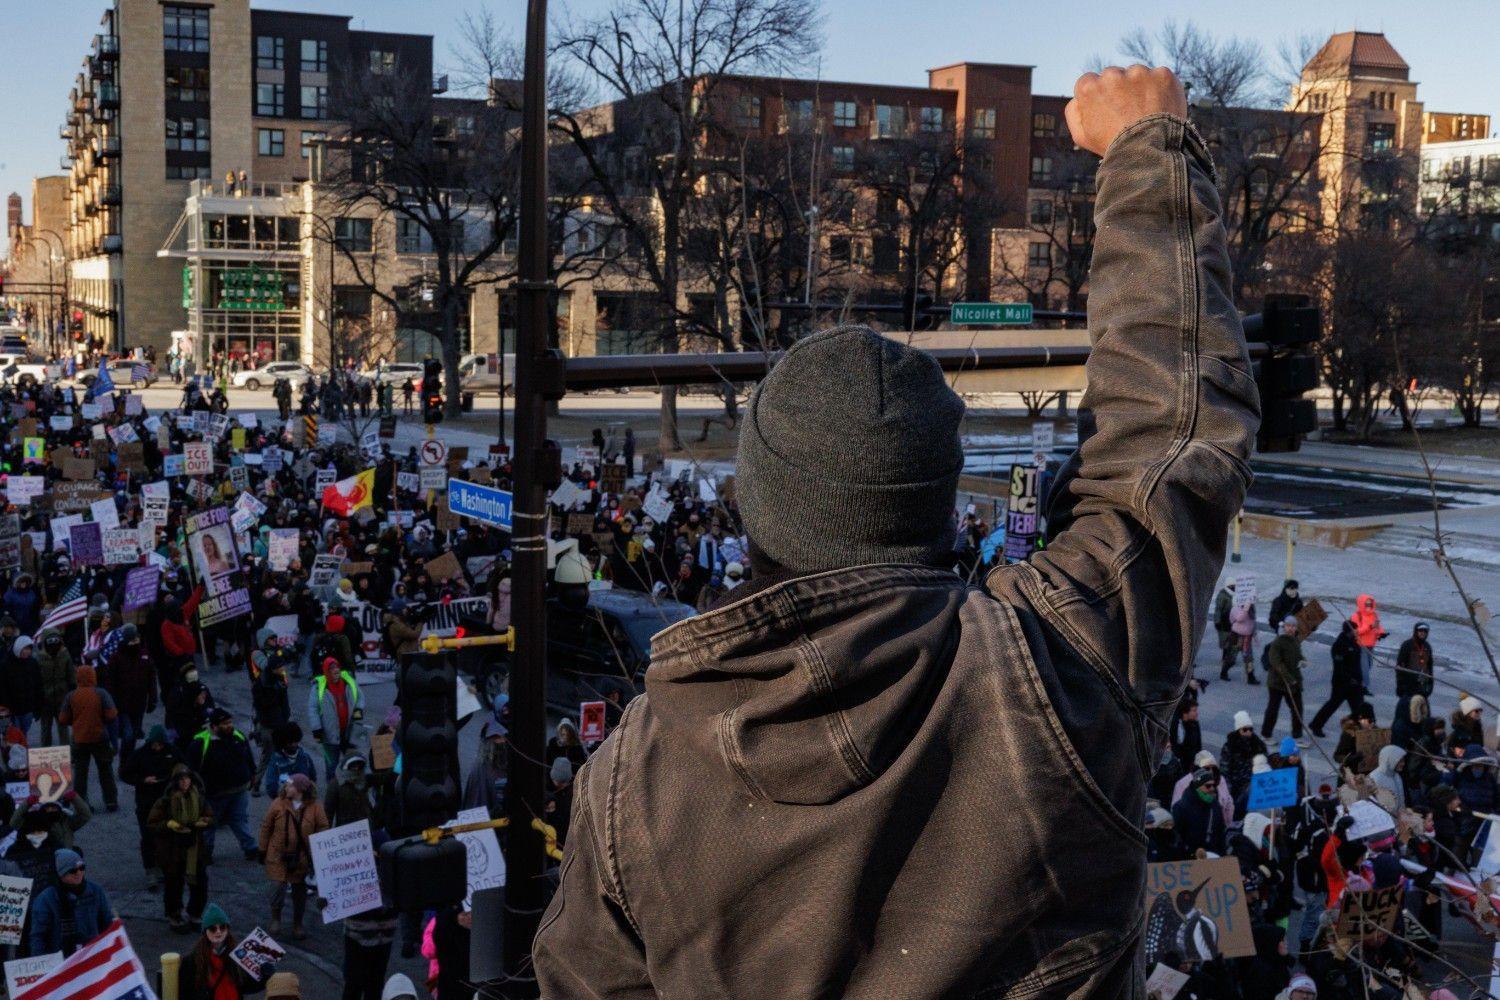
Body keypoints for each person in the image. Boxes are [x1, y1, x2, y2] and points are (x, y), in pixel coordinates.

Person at [534, 65, 1259, 996]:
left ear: (754, 504)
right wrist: (1150, 159)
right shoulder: (1060, 668)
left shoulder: (636, 781)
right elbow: (1172, 441)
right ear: (944, 507)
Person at [257, 773, 328, 940]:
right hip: (278, 855)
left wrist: (319, 851)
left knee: (299, 893)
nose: (286, 788)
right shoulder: (278, 803)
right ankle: (276, 919)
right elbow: (266, 826)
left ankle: (298, 923)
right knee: (276, 888)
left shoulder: (315, 807)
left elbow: (323, 827)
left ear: (300, 789)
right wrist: (262, 849)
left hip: (301, 857)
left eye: (290, 786)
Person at [149, 763, 213, 932]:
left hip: (194, 847)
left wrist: (204, 821)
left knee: (199, 883)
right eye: (181, 779)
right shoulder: (166, 800)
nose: (185, 782)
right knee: (173, 884)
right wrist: (169, 824)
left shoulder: (198, 797)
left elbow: (210, 816)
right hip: (173, 849)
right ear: (175, 782)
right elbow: (152, 823)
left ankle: (195, 913)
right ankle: (175, 915)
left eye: (187, 779)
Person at [192, 707, 259, 860]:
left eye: (229, 722)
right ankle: (205, 852)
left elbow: (248, 758)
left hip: (239, 790)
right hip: (214, 794)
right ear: (214, 726)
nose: (229, 725)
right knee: (209, 824)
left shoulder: (238, 736)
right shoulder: (201, 742)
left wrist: (252, 775)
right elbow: (192, 769)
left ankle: (250, 848)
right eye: (224, 723)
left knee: (240, 819)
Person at [119, 724, 180, 892]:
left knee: (166, 836)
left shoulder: (173, 751)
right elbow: (125, 774)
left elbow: (183, 767)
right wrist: (143, 780)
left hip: (167, 802)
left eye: (160, 744)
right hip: (146, 803)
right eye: (155, 744)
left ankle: (162, 866)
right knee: (148, 837)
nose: (157, 747)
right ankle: (150, 870)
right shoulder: (140, 755)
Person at [57, 664, 120, 811]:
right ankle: (111, 801)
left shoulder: (71, 696)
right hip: (100, 737)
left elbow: (62, 719)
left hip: (79, 739)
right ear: (93, 677)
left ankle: (82, 804)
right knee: (105, 770)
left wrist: (76, 720)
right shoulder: (101, 693)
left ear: (77, 678)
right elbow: (112, 714)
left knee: (80, 773)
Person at [30, 848, 114, 956]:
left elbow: (107, 924)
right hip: (61, 960)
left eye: (82, 868)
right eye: (72, 870)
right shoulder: (46, 900)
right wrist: (40, 964)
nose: (78, 873)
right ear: (61, 874)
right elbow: (38, 937)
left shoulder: (96, 891)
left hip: (92, 955)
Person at [178, 903, 264, 1000]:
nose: (218, 931)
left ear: (227, 930)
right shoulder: (191, 961)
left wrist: (264, 977)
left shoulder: (238, 955)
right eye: (213, 928)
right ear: (205, 932)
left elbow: (246, 987)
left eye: (222, 927)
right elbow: (183, 995)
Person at [309, 656, 362, 783]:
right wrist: (317, 729)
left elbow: (359, 697)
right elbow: (313, 709)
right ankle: (332, 793)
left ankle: (354, 789)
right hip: (330, 734)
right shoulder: (318, 688)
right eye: (332, 668)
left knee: (354, 763)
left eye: (337, 667)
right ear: (326, 671)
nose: (336, 670)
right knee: (332, 767)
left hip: (349, 732)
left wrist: (358, 713)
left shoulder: (349, 682)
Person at [1309, 620, 1364, 739]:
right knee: (1332, 705)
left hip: (1355, 685)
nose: (1357, 632)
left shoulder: (1354, 643)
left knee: (1359, 708)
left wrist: (1359, 680)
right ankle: (1316, 725)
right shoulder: (1339, 645)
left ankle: (1363, 732)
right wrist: (1350, 680)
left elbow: (1357, 665)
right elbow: (1339, 667)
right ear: (1349, 631)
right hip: (1342, 684)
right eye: (1355, 630)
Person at [1262, 617, 1306, 745]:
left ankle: (1297, 737)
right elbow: (1276, 663)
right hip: (1277, 683)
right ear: (1284, 626)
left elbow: (1297, 655)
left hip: (1293, 682)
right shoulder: (1278, 642)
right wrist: (1290, 679)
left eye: (1293, 626)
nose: (1291, 629)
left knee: (1298, 709)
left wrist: (1302, 660)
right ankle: (1266, 735)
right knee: (1273, 709)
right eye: (1289, 626)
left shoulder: (1295, 640)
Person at [1349, 593, 1386, 692]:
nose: (1369, 606)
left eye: (1370, 604)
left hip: (1371, 644)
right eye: (1366, 604)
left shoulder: (1374, 614)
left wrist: (1381, 633)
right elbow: (1356, 632)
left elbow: (1378, 627)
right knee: (1364, 666)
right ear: (1361, 604)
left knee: (1369, 665)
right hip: (1360, 645)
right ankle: (1363, 687)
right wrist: (1369, 627)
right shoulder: (1356, 616)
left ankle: (1357, 681)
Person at [1395, 622, 1434, 700]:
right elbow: (1399, 666)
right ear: (1415, 631)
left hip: (1422, 686)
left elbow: (1430, 667)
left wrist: (1430, 685)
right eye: (1420, 631)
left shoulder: (1427, 647)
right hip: (1408, 686)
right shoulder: (1407, 645)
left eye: (1425, 631)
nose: (1422, 633)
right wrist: (1400, 685)